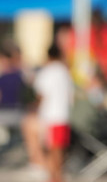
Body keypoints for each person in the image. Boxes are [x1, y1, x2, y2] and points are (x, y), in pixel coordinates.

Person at [24, 44, 74, 182]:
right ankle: (54, 176)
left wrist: (34, 107)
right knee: (58, 154)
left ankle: (41, 167)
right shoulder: (65, 71)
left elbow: (41, 95)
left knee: (51, 153)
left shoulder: (47, 71)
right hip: (64, 116)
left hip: (50, 117)